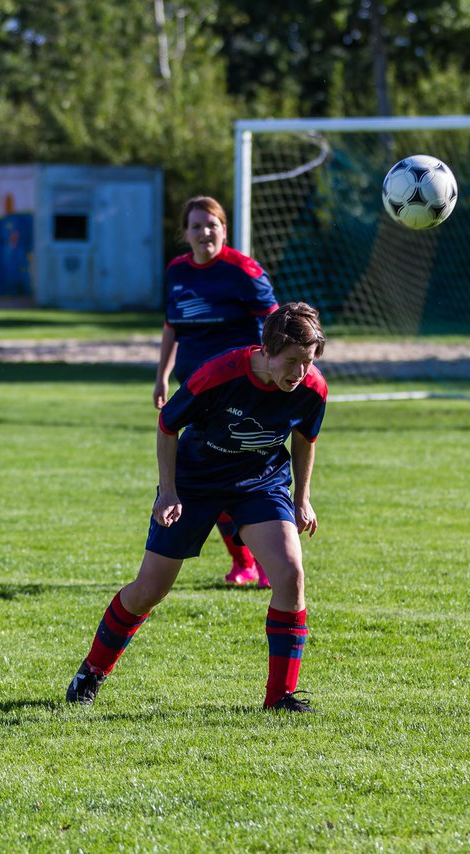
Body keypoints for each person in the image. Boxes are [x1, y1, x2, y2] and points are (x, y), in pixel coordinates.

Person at [69, 302, 328, 712]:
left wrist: (303, 498)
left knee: (291, 573)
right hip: (196, 482)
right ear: (267, 350)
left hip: (260, 484)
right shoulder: (220, 374)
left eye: (308, 362)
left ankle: (279, 697)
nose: (300, 373)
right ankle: (92, 671)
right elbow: (168, 425)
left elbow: (304, 439)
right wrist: (168, 492)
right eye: (292, 361)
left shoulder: (312, 388)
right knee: (149, 591)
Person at [154, 195, 279, 588]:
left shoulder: (242, 270)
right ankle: (244, 563)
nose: (204, 232)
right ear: (184, 232)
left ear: (224, 229)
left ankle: (259, 561)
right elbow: (173, 325)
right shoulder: (177, 271)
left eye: (212, 225)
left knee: (235, 477)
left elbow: (275, 323)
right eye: (196, 225)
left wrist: (275, 372)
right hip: (195, 392)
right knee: (211, 475)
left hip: (239, 391)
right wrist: (162, 375)